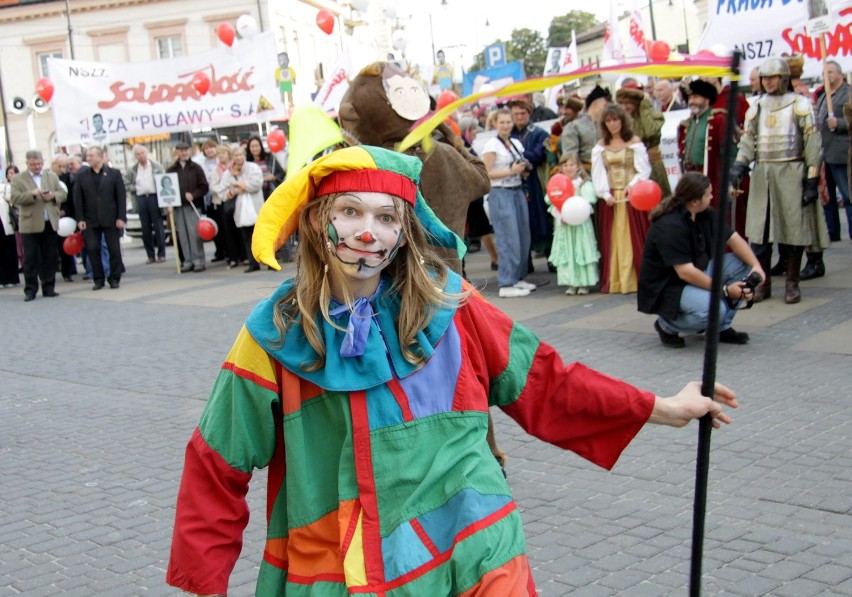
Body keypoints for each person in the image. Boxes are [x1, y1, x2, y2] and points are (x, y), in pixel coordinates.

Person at [165, 144, 738, 597]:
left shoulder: (451, 304)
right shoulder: (275, 333)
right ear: (318, 222)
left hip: (473, 538)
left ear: (405, 229)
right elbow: (218, 460)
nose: (369, 231)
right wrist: (205, 584)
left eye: (387, 217)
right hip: (346, 560)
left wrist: (663, 408)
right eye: (350, 211)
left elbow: (544, 381)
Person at [731, 57, 820, 304]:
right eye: (765, 78)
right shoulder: (756, 107)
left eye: (773, 77)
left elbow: (813, 144)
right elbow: (748, 141)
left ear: (783, 78)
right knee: (759, 233)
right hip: (762, 173)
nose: (768, 82)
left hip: (791, 171)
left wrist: (812, 179)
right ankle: (763, 282)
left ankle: (792, 283)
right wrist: (740, 164)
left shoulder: (800, 104)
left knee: (792, 230)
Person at [639, 172, 764, 348]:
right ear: (695, 201)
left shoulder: (705, 213)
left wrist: (756, 267)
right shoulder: (670, 225)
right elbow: (685, 272)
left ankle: (721, 328)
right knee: (714, 310)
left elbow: (734, 238)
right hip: (671, 286)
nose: (712, 197)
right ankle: (666, 325)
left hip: (698, 271)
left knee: (743, 263)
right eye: (708, 194)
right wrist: (726, 290)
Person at [591, 103, 652, 294]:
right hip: (611, 198)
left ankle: (636, 279)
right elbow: (598, 173)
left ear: (622, 120)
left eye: (615, 119)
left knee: (634, 237)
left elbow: (644, 169)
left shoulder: (633, 142)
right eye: (608, 121)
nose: (612, 124)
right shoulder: (600, 146)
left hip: (631, 196)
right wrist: (605, 194)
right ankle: (616, 280)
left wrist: (632, 186)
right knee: (613, 238)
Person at [676, 79, 748, 237]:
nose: (691, 101)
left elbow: (730, 154)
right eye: (690, 97)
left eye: (696, 97)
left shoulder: (719, 120)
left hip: (713, 178)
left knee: (718, 220)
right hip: (692, 179)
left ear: (707, 99)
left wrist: (729, 181)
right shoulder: (687, 124)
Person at [482, 107, 538, 297]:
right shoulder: (491, 145)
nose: (505, 126)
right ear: (495, 124)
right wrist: (511, 171)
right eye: (502, 122)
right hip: (501, 193)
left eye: (508, 122)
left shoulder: (514, 143)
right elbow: (486, 173)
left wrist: (522, 171)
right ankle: (506, 282)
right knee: (508, 238)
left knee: (523, 237)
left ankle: (518, 277)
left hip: (517, 191)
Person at [808, 60, 850, 277]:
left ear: (840, 74)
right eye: (825, 72)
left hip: (842, 153)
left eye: (830, 71)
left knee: (848, 195)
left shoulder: (848, 93)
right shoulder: (823, 95)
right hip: (826, 153)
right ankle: (833, 232)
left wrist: (840, 124)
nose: (827, 75)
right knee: (828, 199)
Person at [9, 150, 67, 301]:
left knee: (50, 257)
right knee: (31, 258)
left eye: (39, 163)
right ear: (27, 163)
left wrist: (53, 196)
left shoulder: (51, 176)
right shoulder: (18, 179)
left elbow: (62, 193)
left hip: (49, 222)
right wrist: (32, 194)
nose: (37, 166)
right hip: (30, 224)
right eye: (33, 164)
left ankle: (49, 287)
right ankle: (30, 289)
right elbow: (14, 198)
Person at [72, 145, 126, 290]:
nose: (87, 158)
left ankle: (114, 278)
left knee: (114, 250)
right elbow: (78, 199)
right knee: (93, 249)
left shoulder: (114, 173)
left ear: (100, 157)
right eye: (87, 156)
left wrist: (121, 217)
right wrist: (80, 219)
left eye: (91, 155)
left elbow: (121, 197)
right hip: (90, 220)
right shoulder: (82, 175)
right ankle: (98, 279)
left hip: (111, 218)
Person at [547, 153, 599, 295]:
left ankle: (584, 282)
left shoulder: (583, 184)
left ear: (578, 167)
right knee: (567, 251)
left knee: (580, 250)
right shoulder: (556, 183)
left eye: (571, 165)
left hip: (580, 225)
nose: (568, 168)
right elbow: (551, 201)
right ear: (560, 168)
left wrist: (575, 214)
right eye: (565, 165)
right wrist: (560, 215)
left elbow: (588, 203)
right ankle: (571, 282)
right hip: (564, 225)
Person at [508, 98, 551, 263]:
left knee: (541, 218)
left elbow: (539, 154)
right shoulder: (508, 133)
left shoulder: (538, 133)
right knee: (519, 222)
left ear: (529, 113)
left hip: (536, 182)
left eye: (522, 113)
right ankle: (526, 262)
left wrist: (518, 157)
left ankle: (549, 256)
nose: (519, 117)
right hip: (515, 181)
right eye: (516, 114)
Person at [616, 86, 671, 197]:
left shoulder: (654, 115)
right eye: (623, 104)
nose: (625, 107)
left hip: (653, 164)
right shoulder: (626, 121)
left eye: (628, 103)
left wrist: (644, 107)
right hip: (634, 167)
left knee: (659, 197)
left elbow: (650, 131)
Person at [218, 146, 264, 273]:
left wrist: (240, 185)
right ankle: (253, 263)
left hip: (256, 207)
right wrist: (232, 191)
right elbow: (222, 192)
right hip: (240, 210)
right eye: (235, 155)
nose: (238, 158)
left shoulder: (253, 168)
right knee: (246, 237)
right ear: (232, 157)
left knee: (261, 235)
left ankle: (268, 260)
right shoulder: (228, 173)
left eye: (240, 155)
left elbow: (257, 184)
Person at [167, 141, 209, 273]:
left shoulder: (196, 167)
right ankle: (187, 260)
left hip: (193, 206)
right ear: (176, 152)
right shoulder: (171, 170)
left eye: (186, 150)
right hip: (178, 207)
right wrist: (168, 204)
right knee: (183, 235)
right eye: (180, 150)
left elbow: (204, 186)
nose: (183, 152)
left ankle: (198, 261)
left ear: (190, 151)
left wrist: (194, 195)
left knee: (194, 234)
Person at [125, 144, 167, 264]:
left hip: (154, 197)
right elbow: (125, 182)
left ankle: (161, 254)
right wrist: (134, 188)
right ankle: (150, 255)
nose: (141, 156)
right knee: (145, 228)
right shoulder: (133, 170)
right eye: (138, 154)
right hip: (141, 198)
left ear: (146, 153)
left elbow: (164, 180)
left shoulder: (156, 166)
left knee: (158, 226)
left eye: (142, 153)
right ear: (135, 156)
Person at [209, 144, 244, 268]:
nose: (221, 156)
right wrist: (223, 189)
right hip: (223, 201)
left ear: (229, 154)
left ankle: (243, 255)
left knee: (240, 228)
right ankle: (232, 256)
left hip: (238, 199)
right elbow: (213, 186)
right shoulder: (215, 169)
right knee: (227, 230)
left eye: (223, 153)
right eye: (219, 154)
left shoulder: (235, 166)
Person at [562, 85, 610, 171]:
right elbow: (569, 157)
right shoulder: (574, 127)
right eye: (605, 105)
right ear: (595, 104)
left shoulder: (607, 125)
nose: (607, 109)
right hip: (585, 176)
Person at [0, 165, 21, 287]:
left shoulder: (7, 187)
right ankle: (2, 278)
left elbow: (14, 200)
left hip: (7, 222)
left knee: (10, 250)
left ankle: (12, 278)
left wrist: (7, 198)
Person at [246, 135, 285, 200]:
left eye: (257, 146)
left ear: (261, 146)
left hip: (271, 193)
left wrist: (274, 177)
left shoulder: (270, 158)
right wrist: (264, 179)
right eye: (252, 146)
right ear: (249, 148)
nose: (255, 148)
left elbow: (281, 173)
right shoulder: (247, 162)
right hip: (255, 196)